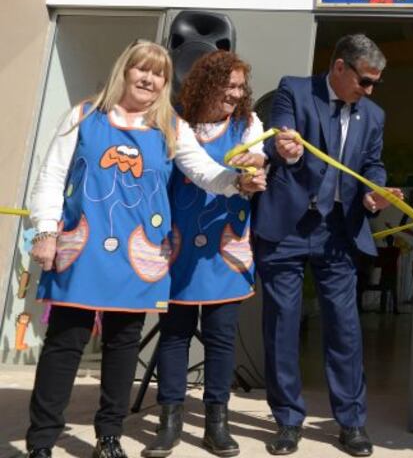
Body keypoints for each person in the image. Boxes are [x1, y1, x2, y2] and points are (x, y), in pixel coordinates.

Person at [24, 41, 265, 458]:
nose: (149, 79)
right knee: (65, 344)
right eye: (142, 70)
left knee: (122, 347)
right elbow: (50, 176)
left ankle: (109, 436)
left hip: (139, 256)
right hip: (81, 251)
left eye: (158, 74)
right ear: (124, 70)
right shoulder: (82, 116)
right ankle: (42, 441)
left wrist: (237, 181)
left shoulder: (171, 125)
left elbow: (205, 173)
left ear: (165, 83)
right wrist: (45, 232)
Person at [251, 34, 402, 457]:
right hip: (287, 227)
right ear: (339, 67)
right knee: (282, 323)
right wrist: (287, 151)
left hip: (338, 231)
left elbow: (372, 164)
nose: (370, 90)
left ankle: (351, 422)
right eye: (365, 80)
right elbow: (273, 143)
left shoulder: (373, 115)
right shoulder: (294, 90)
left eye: (376, 83)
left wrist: (374, 194)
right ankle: (287, 421)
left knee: (345, 327)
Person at [142, 51, 267, 458]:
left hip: (225, 246)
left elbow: (257, 153)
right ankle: (169, 421)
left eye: (239, 86)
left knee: (220, 336)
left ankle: (217, 422)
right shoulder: (176, 121)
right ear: (205, 83)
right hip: (179, 245)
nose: (236, 93)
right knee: (174, 335)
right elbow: (197, 171)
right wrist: (236, 179)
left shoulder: (248, 123)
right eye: (228, 85)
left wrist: (254, 167)